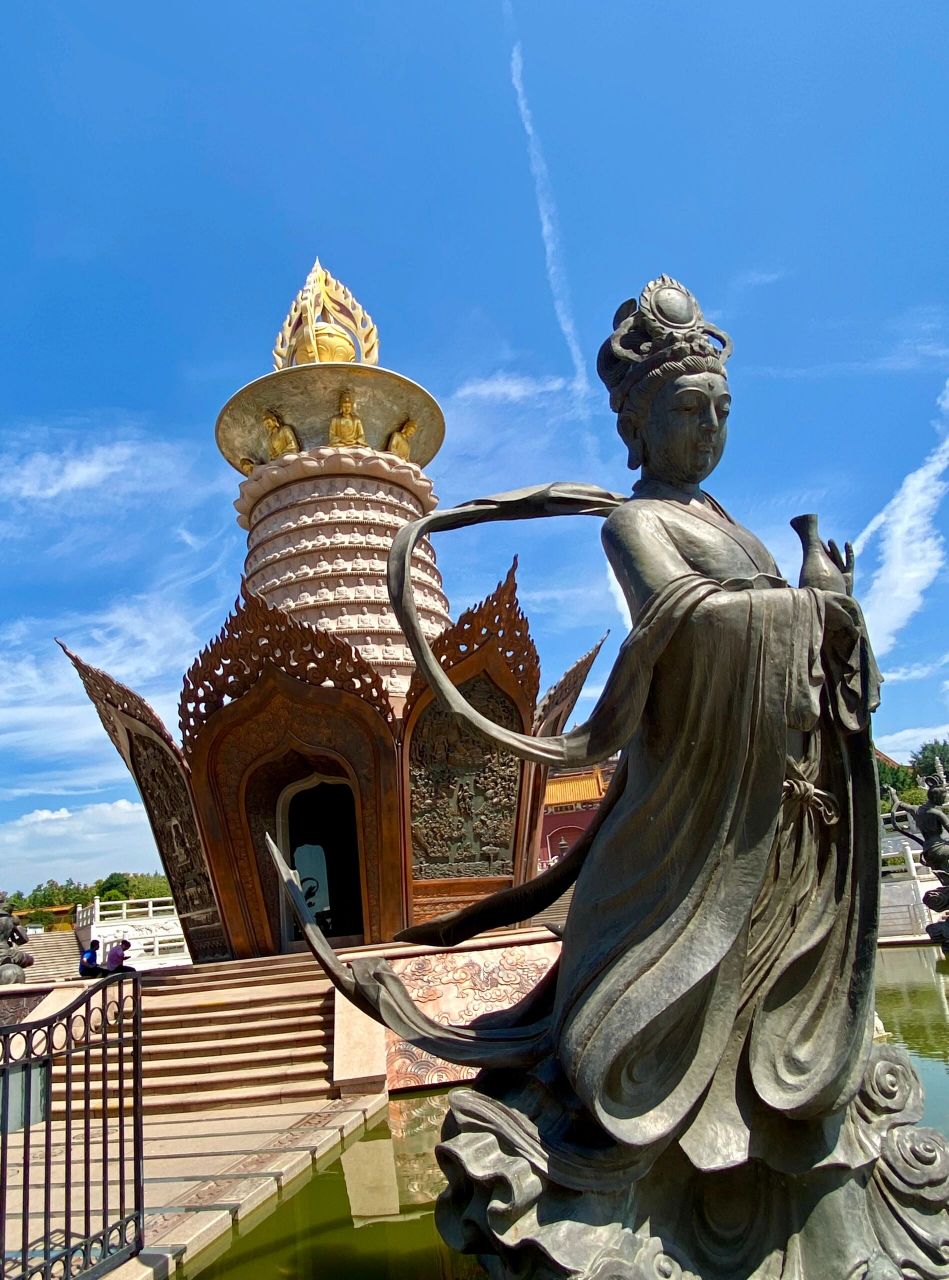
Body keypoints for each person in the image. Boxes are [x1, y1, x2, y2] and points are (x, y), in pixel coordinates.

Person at [297, 276, 894, 1274]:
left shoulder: (733, 524)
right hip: (689, 805)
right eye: (686, 410)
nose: (706, 429)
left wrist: (824, 606)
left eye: (720, 411)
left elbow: (765, 636)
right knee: (625, 1022)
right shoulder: (636, 523)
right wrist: (801, 610)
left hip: (765, 805)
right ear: (639, 423)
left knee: (774, 1020)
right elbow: (689, 626)